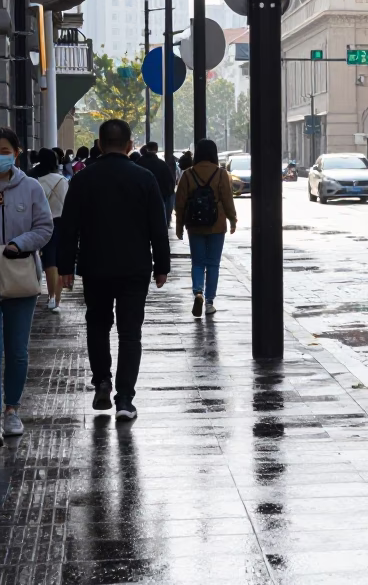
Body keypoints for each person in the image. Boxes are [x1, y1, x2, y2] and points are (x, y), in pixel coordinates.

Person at [58, 119, 170, 421]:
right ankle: (125, 400)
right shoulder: (144, 178)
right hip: (135, 267)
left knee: (97, 325)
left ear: (99, 144)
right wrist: (162, 265)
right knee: (130, 333)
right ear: (130, 145)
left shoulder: (83, 178)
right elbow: (158, 227)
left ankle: (102, 382)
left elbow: (69, 227)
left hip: (95, 266)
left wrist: (65, 266)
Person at [0, 127, 54, 445]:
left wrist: (20, 243)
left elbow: (44, 227)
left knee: (17, 352)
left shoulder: (30, 187)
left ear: (17, 153)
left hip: (19, 279)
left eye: (4, 151)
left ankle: (12, 410)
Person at [174, 139, 237, 318]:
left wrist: (179, 226)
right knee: (213, 263)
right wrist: (232, 220)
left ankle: (198, 292)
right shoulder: (221, 174)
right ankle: (209, 302)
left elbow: (180, 204)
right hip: (217, 225)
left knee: (197, 262)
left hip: (194, 225)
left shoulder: (188, 174)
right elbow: (227, 200)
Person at [30, 149, 69, 312]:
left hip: (44, 223)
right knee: (58, 261)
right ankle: (56, 299)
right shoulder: (62, 180)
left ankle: (51, 296)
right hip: (61, 222)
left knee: (49, 261)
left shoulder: (36, 180)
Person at [138, 142, 176, 227]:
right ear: (156, 149)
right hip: (160, 196)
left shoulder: (139, 162)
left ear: (146, 148)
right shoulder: (162, 164)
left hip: (142, 197)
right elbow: (170, 181)